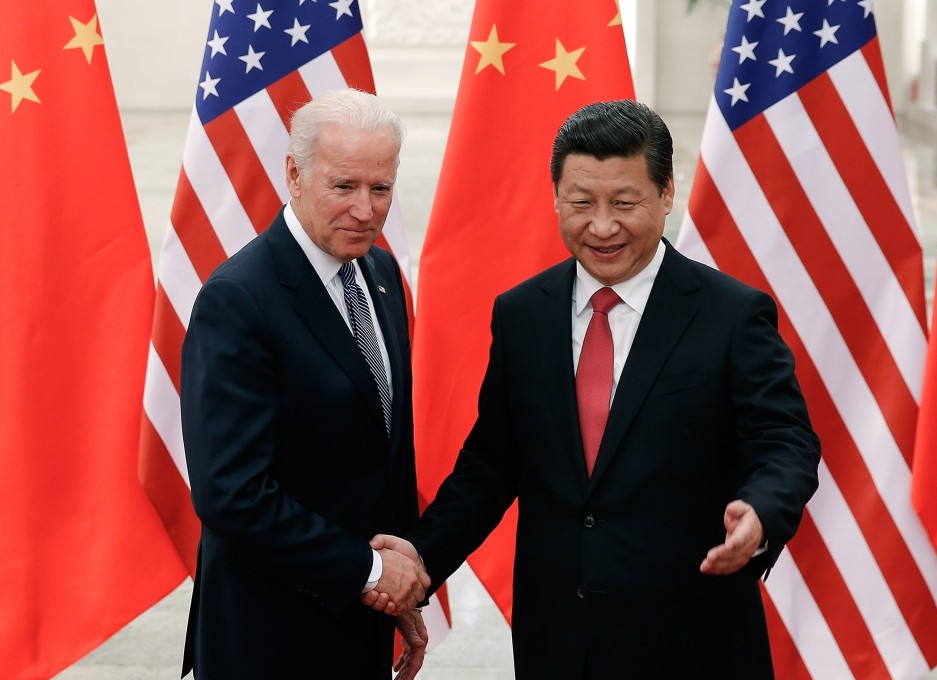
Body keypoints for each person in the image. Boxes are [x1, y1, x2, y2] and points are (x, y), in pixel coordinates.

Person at [367, 99, 821, 678]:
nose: (602, 226)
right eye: (581, 203)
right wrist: (421, 556)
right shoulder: (523, 313)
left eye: (625, 203)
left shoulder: (731, 314)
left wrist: (761, 510)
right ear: (556, 197)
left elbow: (786, 443)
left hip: (692, 641)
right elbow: (492, 465)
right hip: (559, 642)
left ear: (665, 194)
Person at [180, 89, 429, 680]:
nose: (366, 211)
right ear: (295, 174)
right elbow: (230, 491)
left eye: (381, 188)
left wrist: (398, 592)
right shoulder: (238, 299)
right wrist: (369, 574)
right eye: (344, 187)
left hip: (360, 626)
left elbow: (381, 451)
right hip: (268, 639)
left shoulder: (383, 273)